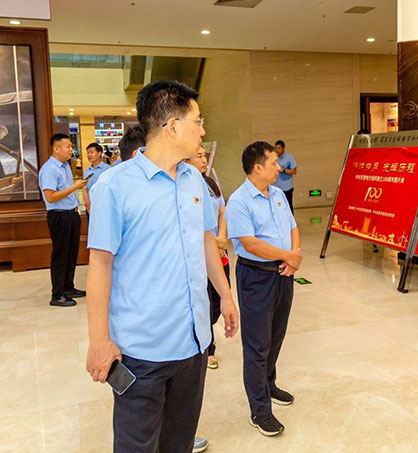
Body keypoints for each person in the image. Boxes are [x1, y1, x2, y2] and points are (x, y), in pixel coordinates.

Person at [85, 80, 239, 453]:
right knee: (137, 446)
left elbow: (206, 239)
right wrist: (99, 340)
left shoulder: (193, 179)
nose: (202, 131)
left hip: (194, 343)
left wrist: (225, 295)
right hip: (142, 352)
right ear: (172, 126)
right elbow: (100, 265)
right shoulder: (114, 186)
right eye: (198, 121)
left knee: (178, 442)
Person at [227, 141, 301, 437]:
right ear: (257, 167)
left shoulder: (279, 194)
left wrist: (294, 256)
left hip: (283, 274)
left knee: (276, 335)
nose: (278, 168)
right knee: (257, 344)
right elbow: (249, 243)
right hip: (256, 277)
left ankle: (269, 385)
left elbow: (293, 227)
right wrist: (287, 255)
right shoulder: (239, 201)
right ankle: (259, 410)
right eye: (273, 163)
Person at [185, 147, 230, 370]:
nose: (204, 160)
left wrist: (221, 238)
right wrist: (213, 242)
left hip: (219, 251)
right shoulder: (185, 186)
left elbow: (222, 211)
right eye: (199, 156)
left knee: (219, 300)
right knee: (205, 300)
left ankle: (206, 333)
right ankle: (208, 347)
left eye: (205, 156)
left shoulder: (211, 183)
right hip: (202, 253)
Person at [38, 133, 88, 307]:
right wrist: (75, 187)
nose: (71, 149)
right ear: (56, 149)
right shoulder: (50, 169)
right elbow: (50, 197)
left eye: (71, 146)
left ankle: (68, 287)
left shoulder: (65, 166)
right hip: (59, 216)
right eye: (68, 146)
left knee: (71, 253)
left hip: (71, 214)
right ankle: (57, 294)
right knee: (61, 255)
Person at [82, 143, 111, 214]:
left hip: (104, 205)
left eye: (91, 152)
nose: (89, 155)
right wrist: (87, 203)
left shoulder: (107, 169)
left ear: (99, 154)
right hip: (90, 206)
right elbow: (85, 189)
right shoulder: (87, 171)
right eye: (88, 153)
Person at [272, 140, 297, 214]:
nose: (277, 150)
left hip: (287, 187)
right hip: (277, 186)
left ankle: (290, 220)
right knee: (278, 205)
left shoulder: (289, 158)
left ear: (283, 148)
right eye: (276, 148)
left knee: (288, 205)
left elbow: (294, 171)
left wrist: (284, 170)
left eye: (279, 148)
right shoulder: (274, 158)